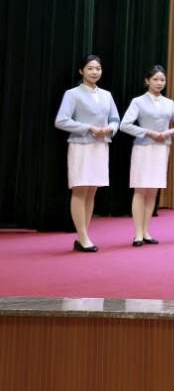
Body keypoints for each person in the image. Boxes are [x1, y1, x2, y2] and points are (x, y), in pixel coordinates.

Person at [55, 55, 121, 252]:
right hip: (81, 146)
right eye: (90, 68)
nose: (94, 72)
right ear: (81, 71)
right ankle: (83, 237)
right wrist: (88, 128)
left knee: (92, 190)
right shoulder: (72, 94)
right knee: (80, 189)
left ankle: (83, 235)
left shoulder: (106, 95)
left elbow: (115, 119)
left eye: (98, 68)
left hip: (100, 146)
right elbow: (61, 120)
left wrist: (110, 128)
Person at [119, 65, 174, 247]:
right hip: (143, 148)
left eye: (162, 80)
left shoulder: (169, 103)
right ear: (147, 81)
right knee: (140, 189)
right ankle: (137, 233)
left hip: (161, 148)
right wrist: (147, 132)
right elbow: (125, 125)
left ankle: (146, 231)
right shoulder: (138, 101)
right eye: (156, 79)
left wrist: (170, 132)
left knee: (153, 191)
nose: (159, 83)